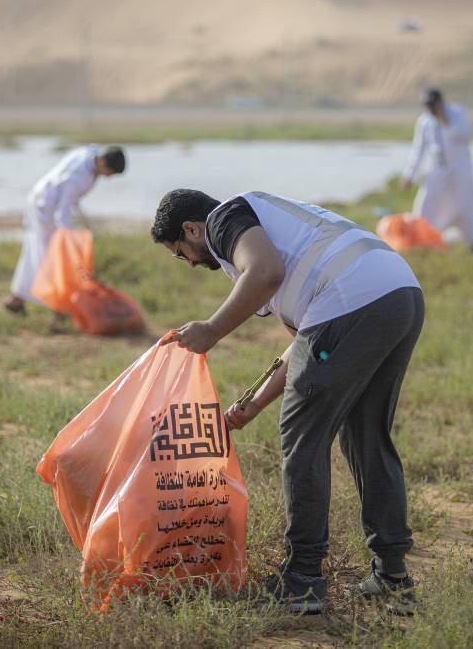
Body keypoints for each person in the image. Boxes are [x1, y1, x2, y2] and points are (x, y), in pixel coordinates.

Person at [150, 189, 425, 613]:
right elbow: (307, 343)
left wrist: (212, 329)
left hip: (353, 300)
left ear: (192, 229)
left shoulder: (225, 219)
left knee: (302, 440)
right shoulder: (276, 229)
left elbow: (265, 273)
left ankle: (303, 579)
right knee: (366, 436)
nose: (188, 263)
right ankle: (393, 577)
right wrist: (254, 403)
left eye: (180, 252)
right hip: (399, 294)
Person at [4, 145, 126, 317]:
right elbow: (62, 212)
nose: (108, 177)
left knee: (32, 252)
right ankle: (58, 307)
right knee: (50, 258)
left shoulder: (88, 153)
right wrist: (69, 239)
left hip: (38, 198)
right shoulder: (79, 178)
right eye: (109, 173)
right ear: (102, 162)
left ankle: (16, 301)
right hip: (45, 208)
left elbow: (70, 201)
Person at [400, 88, 473, 251]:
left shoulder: (457, 113)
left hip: (460, 169)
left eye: (434, 105)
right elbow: (418, 149)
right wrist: (409, 175)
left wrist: (445, 121)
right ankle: (422, 240)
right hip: (438, 168)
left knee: (465, 205)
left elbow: (466, 135)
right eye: (428, 106)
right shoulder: (424, 121)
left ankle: (472, 243)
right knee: (425, 203)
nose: (431, 109)